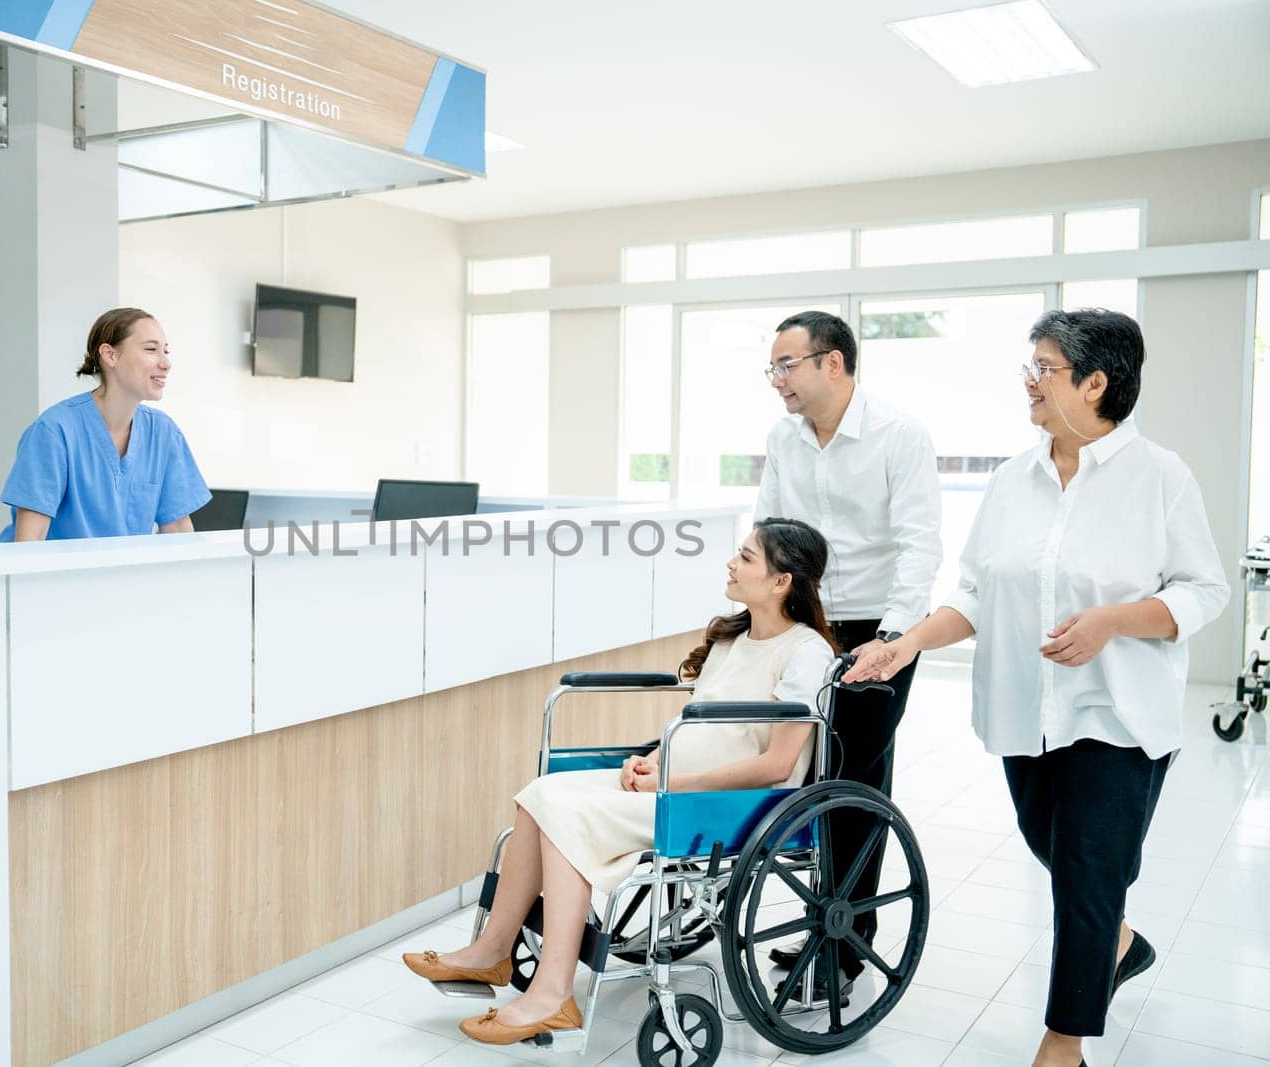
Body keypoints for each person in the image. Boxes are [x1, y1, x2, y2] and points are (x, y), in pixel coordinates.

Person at [846, 308, 1229, 1067]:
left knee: (1086, 874)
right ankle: (1116, 938)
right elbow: (978, 596)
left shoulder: (1160, 476)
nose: (1029, 380)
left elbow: (1204, 589)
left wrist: (1114, 621)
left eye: (1043, 367)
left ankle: (1062, 1048)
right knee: (1057, 850)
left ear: (1096, 382)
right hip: (1026, 711)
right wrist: (905, 644)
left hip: (1118, 715)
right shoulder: (1010, 480)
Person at [401, 519, 838, 1045]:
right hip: (676, 782)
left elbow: (776, 766)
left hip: (730, 804)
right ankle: (493, 952)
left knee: (566, 813)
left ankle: (552, 993)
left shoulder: (807, 653)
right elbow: (699, 724)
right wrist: (647, 759)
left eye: (745, 557)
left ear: (780, 581)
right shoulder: (733, 638)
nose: (731, 563)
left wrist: (673, 779)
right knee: (539, 794)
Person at [752, 310, 942, 995]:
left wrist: (892, 640)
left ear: (833, 363)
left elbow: (920, 545)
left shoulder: (899, 434)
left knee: (857, 777)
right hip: (811, 619)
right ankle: (822, 922)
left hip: (879, 624)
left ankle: (848, 941)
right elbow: (770, 529)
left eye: (786, 365)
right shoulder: (784, 437)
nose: (777, 381)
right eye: (771, 367)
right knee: (809, 769)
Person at [0, 307, 209, 542]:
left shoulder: (163, 434)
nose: (166, 363)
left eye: (165, 351)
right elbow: (29, 543)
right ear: (110, 355)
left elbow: (178, 530)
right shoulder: (55, 431)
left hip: (118, 577)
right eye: (151, 349)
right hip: (57, 577)